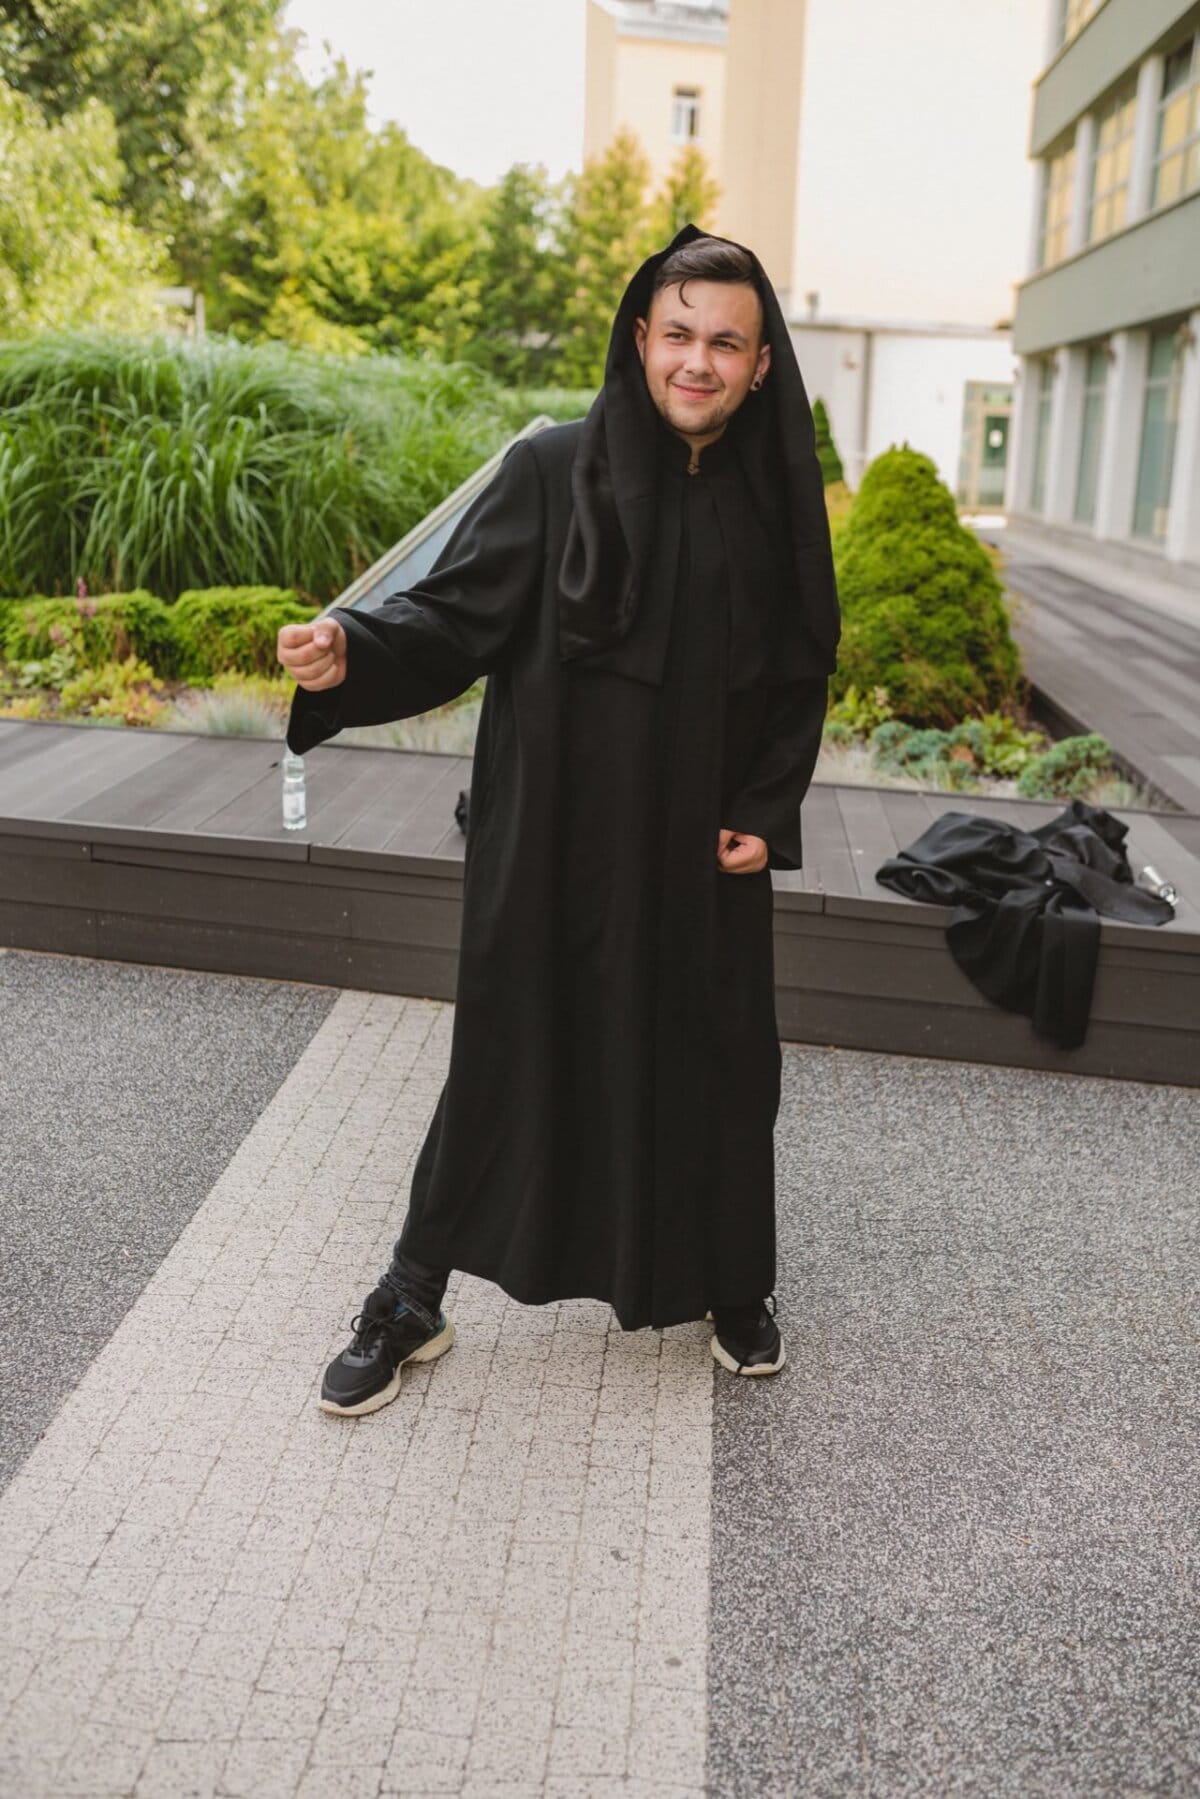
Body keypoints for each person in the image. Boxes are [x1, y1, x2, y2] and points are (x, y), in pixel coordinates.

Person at [277, 223, 840, 1416]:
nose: (698, 360)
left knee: (724, 1064)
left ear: (761, 365)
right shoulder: (551, 474)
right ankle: (412, 1293)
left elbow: (802, 665)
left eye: (724, 343)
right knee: (506, 1057)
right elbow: (447, 619)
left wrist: (765, 803)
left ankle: (732, 1281)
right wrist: (347, 659)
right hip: (553, 846)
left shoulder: (773, 507)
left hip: (702, 854)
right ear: (641, 337)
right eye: (679, 334)